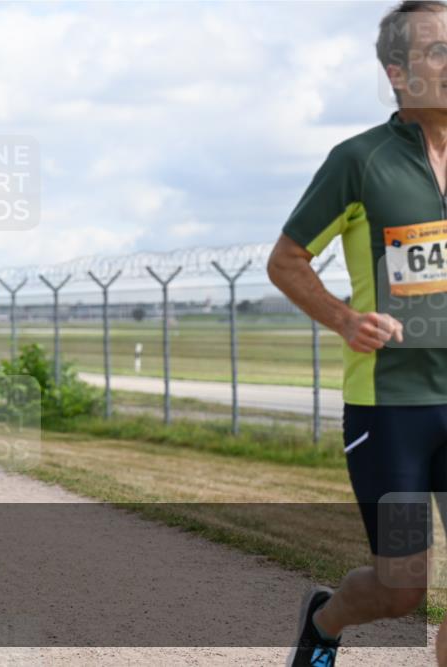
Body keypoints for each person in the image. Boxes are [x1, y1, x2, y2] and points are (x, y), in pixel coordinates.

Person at [268, 3, 447, 665]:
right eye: (437, 51)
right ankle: (325, 618)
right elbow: (286, 260)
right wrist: (345, 318)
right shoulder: (360, 161)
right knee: (403, 586)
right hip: (392, 409)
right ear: (397, 72)